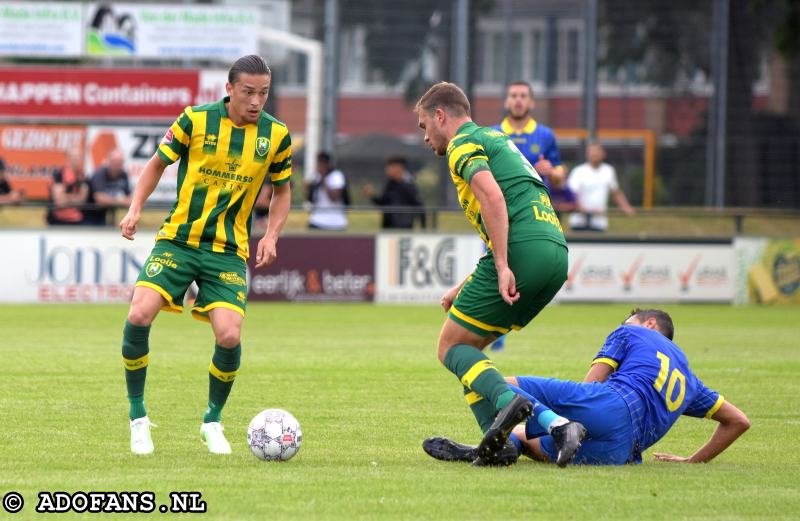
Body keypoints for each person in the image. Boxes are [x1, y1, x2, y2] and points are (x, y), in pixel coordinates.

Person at [118, 55, 293, 455]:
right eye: (248, 92)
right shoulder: (194, 120)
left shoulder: (276, 135)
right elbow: (157, 163)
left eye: (263, 93)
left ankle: (212, 421)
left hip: (228, 251)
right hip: (178, 241)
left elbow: (282, 190)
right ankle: (138, 417)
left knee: (230, 335)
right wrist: (135, 208)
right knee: (138, 313)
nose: (256, 101)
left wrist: (272, 234)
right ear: (229, 89)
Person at [415, 81, 585, 467]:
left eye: (425, 126)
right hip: (554, 251)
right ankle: (549, 428)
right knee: (469, 353)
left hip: (523, 252)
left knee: (449, 347)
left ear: (441, 116)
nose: (426, 137)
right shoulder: (494, 136)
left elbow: (493, 198)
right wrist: (463, 286)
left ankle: (511, 407)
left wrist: (505, 266)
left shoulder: (461, 144)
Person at [423, 309, 750, 467]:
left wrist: (564, 411)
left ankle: (504, 437)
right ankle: (496, 448)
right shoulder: (689, 379)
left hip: (610, 406)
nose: (625, 323)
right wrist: (693, 462)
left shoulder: (633, 333)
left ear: (650, 324)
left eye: (630, 318)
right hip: (621, 452)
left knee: (497, 384)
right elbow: (738, 421)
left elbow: (591, 384)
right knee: (525, 440)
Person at [495, 81, 565, 191]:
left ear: (531, 103)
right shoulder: (492, 134)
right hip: (502, 204)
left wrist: (550, 171)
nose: (518, 100)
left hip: (535, 205)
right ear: (506, 102)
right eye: (513, 96)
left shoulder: (546, 135)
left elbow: (559, 178)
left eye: (523, 96)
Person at [567, 142, 635, 232]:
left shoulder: (608, 171)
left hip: (599, 223)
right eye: (591, 151)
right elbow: (571, 194)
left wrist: (626, 207)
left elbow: (616, 192)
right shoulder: (578, 171)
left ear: (603, 154)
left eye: (596, 151)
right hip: (579, 222)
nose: (594, 154)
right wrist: (583, 209)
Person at [363, 155, 424, 229]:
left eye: (389, 167)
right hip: (388, 228)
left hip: (404, 229)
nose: (387, 170)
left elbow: (419, 207)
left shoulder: (409, 185)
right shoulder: (389, 185)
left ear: (399, 168)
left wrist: (423, 228)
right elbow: (383, 204)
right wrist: (372, 196)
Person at [86, 149, 133, 225]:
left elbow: (130, 199)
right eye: (115, 163)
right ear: (109, 162)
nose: (117, 167)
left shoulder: (123, 174)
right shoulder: (99, 173)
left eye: (120, 163)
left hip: (109, 213)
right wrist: (121, 201)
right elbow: (100, 198)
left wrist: (111, 201)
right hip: (91, 214)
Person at [46, 148, 90, 225]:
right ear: (68, 157)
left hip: (77, 221)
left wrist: (66, 197)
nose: (75, 160)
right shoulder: (59, 175)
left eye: (78, 157)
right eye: (73, 157)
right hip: (58, 221)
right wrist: (76, 197)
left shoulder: (82, 176)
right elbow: (60, 202)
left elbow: (82, 201)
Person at [306, 152, 348, 231]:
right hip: (317, 220)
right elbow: (311, 198)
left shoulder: (337, 176)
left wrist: (323, 179)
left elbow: (334, 198)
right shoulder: (316, 176)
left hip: (335, 222)